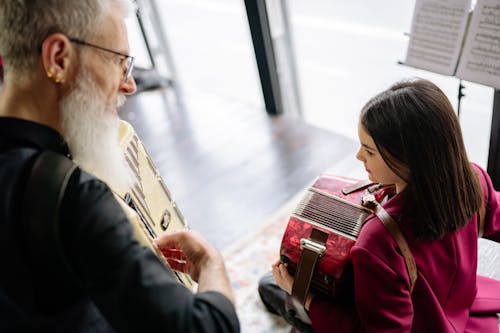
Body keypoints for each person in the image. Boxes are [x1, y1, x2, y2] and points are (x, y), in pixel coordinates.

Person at [0, 1, 239, 332]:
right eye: (118, 62)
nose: (130, 85)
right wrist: (211, 265)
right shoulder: (72, 197)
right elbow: (209, 327)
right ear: (59, 58)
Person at [259, 78, 500, 332]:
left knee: (271, 286)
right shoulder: (473, 178)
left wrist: (307, 300)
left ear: (407, 158)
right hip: (462, 311)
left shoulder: (378, 242)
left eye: (369, 151)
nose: (358, 157)